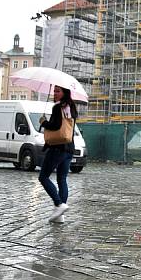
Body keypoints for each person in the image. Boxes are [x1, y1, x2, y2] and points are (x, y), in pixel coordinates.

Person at [38, 85, 78, 223]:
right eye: (54, 91)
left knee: (43, 177)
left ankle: (59, 204)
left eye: (57, 91)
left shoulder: (57, 107)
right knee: (62, 179)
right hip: (69, 148)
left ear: (64, 92)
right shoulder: (72, 107)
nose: (55, 93)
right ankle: (60, 215)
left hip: (57, 147)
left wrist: (43, 122)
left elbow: (55, 127)